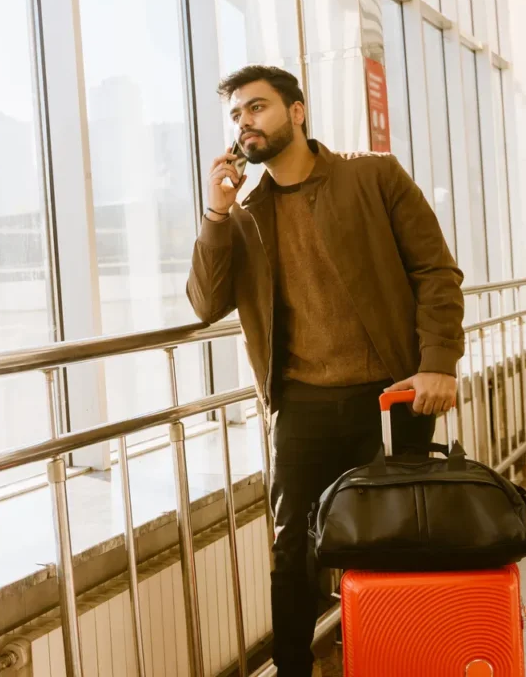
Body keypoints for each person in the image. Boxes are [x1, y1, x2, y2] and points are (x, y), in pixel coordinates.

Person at [186, 65, 465, 675]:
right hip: (303, 404)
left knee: (400, 538)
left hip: (391, 395)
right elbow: (206, 303)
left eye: (257, 108)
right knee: (293, 555)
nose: (245, 124)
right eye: (236, 116)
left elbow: (435, 272)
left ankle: (408, 659)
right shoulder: (245, 214)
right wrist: (214, 213)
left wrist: (439, 361)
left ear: (297, 111)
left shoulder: (374, 175)